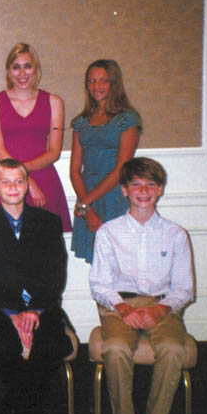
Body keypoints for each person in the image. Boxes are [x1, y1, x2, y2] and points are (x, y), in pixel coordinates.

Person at [90, 157, 193, 414]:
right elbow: (99, 284)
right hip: (119, 305)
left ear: (160, 189)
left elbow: (183, 288)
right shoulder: (109, 232)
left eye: (150, 184)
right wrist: (124, 309)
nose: (143, 190)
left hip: (163, 305)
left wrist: (160, 310)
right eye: (136, 184)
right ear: (124, 190)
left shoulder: (176, 235)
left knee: (174, 349)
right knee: (117, 348)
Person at [0, 159, 73, 414]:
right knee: (4, 348)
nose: (13, 187)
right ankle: (31, 412)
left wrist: (33, 311)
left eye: (19, 181)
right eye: (5, 182)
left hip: (42, 307)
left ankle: (15, 409)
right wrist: (14, 315)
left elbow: (56, 273)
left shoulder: (48, 222)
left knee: (53, 345)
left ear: (27, 185)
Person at [0, 43, 72, 232]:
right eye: (16, 67)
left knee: (44, 249)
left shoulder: (54, 102)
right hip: (7, 180)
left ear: (36, 69)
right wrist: (26, 180)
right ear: (8, 71)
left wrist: (24, 175)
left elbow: (54, 152)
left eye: (27, 66)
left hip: (44, 179)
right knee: (3, 246)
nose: (22, 73)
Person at [70, 59, 141, 263]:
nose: (96, 86)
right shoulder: (80, 122)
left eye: (103, 80)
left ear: (113, 83)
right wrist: (87, 209)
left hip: (115, 196)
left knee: (121, 261)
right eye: (91, 81)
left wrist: (85, 203)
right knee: (99, 265)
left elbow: (122, 169)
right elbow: (75, 170)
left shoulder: (127, 120)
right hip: (87, 195)